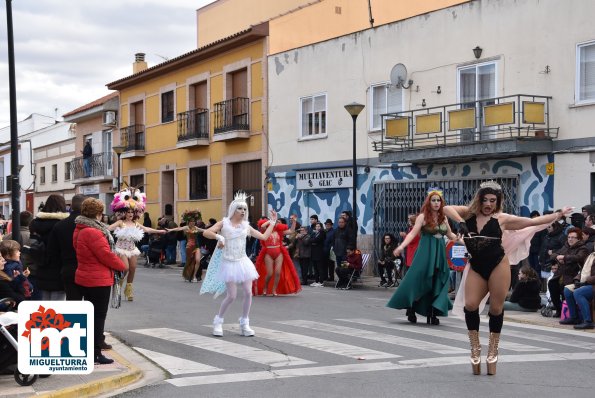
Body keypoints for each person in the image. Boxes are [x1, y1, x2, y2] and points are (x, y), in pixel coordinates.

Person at [444, 180, 573, 375]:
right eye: (485, 200)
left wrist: (559, 214)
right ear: (479, 200)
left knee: (496, 307)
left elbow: (532, 222)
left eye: (493, 201)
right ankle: (475, 346)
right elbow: (446, 208)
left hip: (498, 264)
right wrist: (461, 223)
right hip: (476, 266)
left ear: (498, 202)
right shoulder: (468, 214)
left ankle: (493, 349)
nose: (489, 204)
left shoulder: (502, 218)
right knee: (470, 305)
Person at [200, 192, 278, 337]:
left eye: (244, 209)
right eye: (240, 208)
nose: (243, 211)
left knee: (248, 292)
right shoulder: (224, 223)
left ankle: (245, 323)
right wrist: (219, 236)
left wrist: (272, 223)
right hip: (228, 263)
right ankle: (218, 321)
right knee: (232, 296)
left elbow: (263, 237)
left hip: (243, 262)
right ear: (233, 209)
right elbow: (206, 233)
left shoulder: (246, 226)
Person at [388, 190, 458, 325]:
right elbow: (412, 234)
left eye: (439, 200)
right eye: (434, 200)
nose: (436, 203)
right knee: (418, 279)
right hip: (425, 252)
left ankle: (433, 311)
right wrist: (401, 246)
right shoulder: (422, 217)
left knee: (438, 279)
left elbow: (451, 235)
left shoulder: (444, 218)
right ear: (428, 202)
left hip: (439, 253)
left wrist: (468, 242)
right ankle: (411, 308)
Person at [74, 198, 128, 364]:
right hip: (97, 279)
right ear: (97, 213)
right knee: (98, 317)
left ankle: (90, 350)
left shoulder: (80, 227)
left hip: (86, 276)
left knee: (91, 316)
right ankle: (96, 353)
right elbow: (105, 255)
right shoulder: (93, 232)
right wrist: (121, 266)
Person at [107, 187, 165, 301]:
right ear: (124, 212)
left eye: (132, 212)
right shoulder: (120, 222)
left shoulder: (135, 223)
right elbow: (109, 228)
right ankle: (118, 284)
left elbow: (147, 229)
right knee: (125, 268)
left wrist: (159, 231)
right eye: (128, 212)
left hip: (132, 248)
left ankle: (128, 290)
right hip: (121, 248)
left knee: (133, 268)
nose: (130, 214)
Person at [29, 194, 70, 300]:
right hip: (58, 269)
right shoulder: (62, 225)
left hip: (41, 266)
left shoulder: (36, 223)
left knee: (45, 303)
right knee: (57, 305)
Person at [47, 194, 86, 301]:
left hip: (68, 268)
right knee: (91, 308)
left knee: (72, 304)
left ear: (71, 207)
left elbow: (52, 250)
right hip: (88, 269)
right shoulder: (91, 225)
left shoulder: (60, 225)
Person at [253, 217, 301, 296]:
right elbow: (262, 226)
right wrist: (271, 220)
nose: (277, 223)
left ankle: (274, 290)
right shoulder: (266, 231)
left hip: (279, 253)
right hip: (268, 253)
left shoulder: (280, 232)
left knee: (278, 272)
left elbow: (291, 231)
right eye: (276, 222)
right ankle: (265, 287)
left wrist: (294, 222)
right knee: (269, 273)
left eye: (277, 222)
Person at [547, 227, 588, 318]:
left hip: (572, 275)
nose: (570, 239)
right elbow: (554, 254)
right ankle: (559, 309)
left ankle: (568, 312)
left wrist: (564, 258)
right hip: (560, 274)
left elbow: (579, 257)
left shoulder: (582, 248)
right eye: (569, 237)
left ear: (578, 239)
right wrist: (558, 257)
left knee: (565, 289)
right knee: (552, 284)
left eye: (573, 237)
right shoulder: (565, 246)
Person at [166, 210, 206, 282]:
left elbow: (205, 230)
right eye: (191, 221)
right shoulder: (186, 227)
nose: (193, 223)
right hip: (189, 247)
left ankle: (194, 276)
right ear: (188, 222)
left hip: (197, 247)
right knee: (189, 262)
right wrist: (169, 230)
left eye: (194, 221)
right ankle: (187, 275)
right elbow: (178, 228)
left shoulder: (196, 228)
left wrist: (214, 230)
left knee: (197, 261)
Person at [560, 250, 595, 329]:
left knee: (578, 293)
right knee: (567, 289)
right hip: (586, 283)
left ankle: (588, 321)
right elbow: (583, 271)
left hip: (592, 284)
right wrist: (577, 279)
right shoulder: (590, 256)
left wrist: (586, 281)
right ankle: (574, 317)